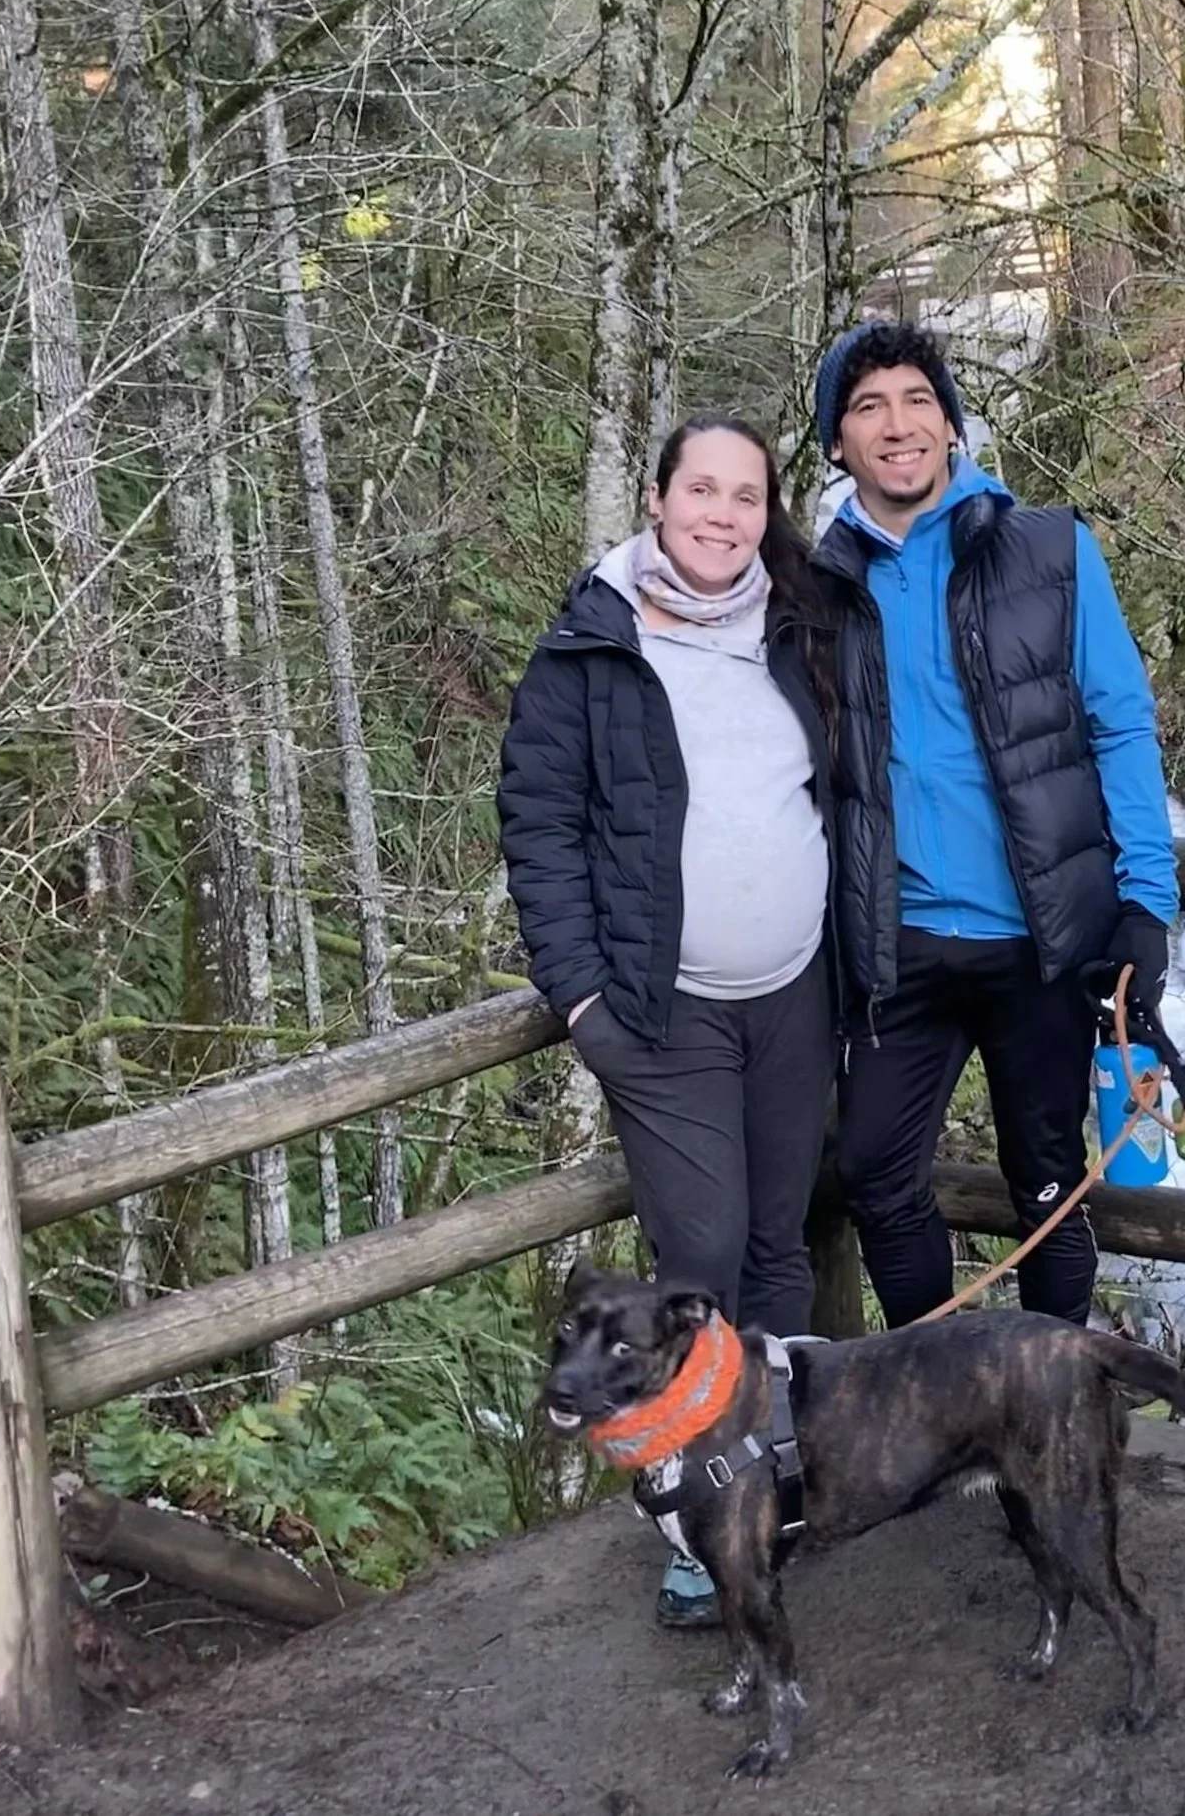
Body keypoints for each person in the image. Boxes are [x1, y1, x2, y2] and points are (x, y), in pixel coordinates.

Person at [497, 415, 836, 1630]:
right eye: (703, 489)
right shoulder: (588, 647)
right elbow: (538, 830)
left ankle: (783, 1488)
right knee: (703, 1259)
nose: (724, 515)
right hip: (661, 1009)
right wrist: (580, 996)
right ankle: (702, 1533)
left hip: (798, 992)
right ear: (656, 498)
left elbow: (848, 790)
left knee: (784, 1250)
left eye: (747, 497)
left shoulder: (801, 630)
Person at [807, 319, 1178, 1330]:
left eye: (918, 400)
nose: (898, 424)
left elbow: (1119, 720)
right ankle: (942, 1399)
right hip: (899, 944)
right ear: (838, 445)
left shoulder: (1050, 548)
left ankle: (1043, 1419)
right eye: (869, 406)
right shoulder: (818, 591)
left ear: (952, 426)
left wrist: (1145, 900)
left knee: (1050, 1190)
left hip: (1041, 938)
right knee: (875, 1175)